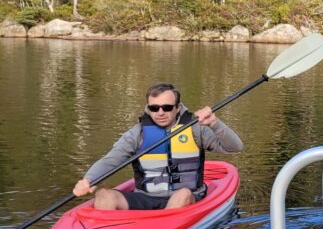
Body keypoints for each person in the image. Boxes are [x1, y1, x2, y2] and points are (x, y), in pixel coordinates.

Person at [72, 82, 244, 210]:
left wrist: (214, 123)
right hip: (145, 198)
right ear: (149, 108)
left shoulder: (195, 129)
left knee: (182, 195)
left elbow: (235, 147)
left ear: (178, 108)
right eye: (154, 108)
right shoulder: (137, 133)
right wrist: (88, 179)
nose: (160, 113)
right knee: (104, 196)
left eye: (167, 107)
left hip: (188, 198)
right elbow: (111, 160)